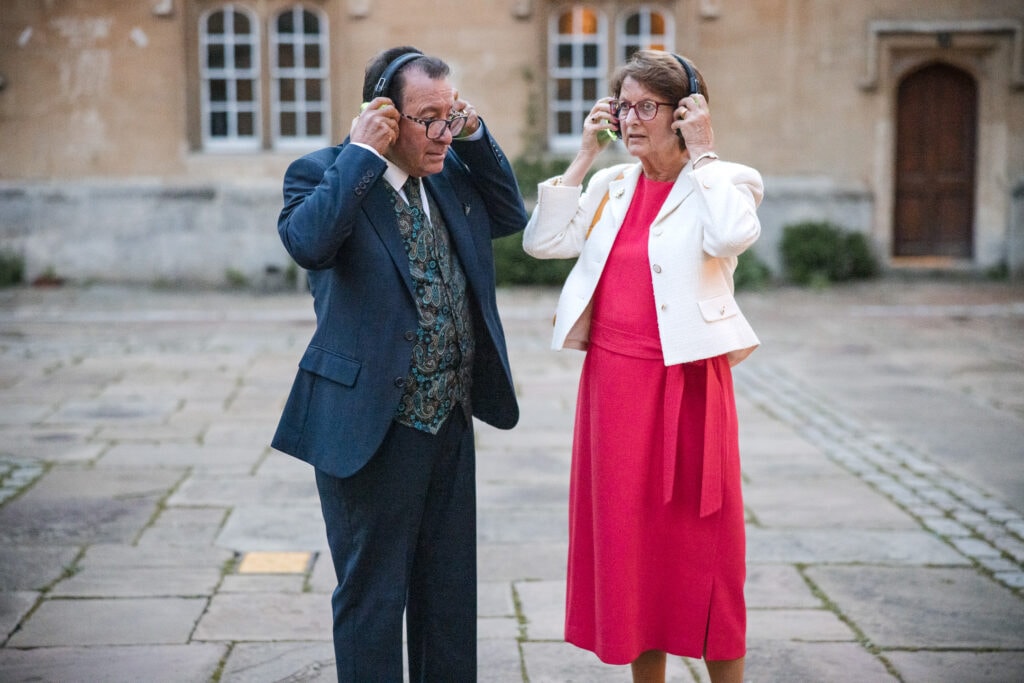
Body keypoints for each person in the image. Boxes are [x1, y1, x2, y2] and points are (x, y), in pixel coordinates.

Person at [272, 46, 526, 682]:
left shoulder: (448, 178)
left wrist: (472, 132)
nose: (442, 133)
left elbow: (509, 213)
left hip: (449, 422)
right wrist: (360, 152)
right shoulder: (325, 174)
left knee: (448, 597)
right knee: (374, 599)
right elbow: (308, 243)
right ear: (383, 116)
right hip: (368, 426)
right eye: (427, 118)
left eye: (451, 115)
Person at [522, 49, 763, 683]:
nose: (631, 120)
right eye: (623, 106)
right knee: (631, 552)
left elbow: (731, 237)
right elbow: (543, 243)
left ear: (684, 114)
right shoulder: (611, 184)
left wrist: (704, 155)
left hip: (687, 387)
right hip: (614, 388)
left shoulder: (728, 180)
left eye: (646, 108)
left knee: (707, 553)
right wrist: (584, 156)